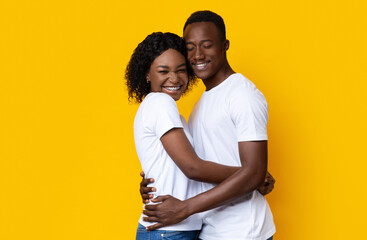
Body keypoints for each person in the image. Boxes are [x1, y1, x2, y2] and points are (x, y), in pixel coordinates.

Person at [140, 11, 276, 240]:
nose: (197, 55)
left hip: (243, 231)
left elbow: (252, 171)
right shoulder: (199, 105)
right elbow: (199, 164)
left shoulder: (242, 94)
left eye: (206, 45)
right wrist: (155, 184)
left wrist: (185, 207)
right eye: (190, 47)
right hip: (208, 228)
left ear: (225, 45)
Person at [126, 31, 253, 240]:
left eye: (181, 70)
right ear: (147, 74)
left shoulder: (173, 115)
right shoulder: (160, 103)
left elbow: (171, 169)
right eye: (163, 71)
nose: (174, 78)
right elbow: (193, 167)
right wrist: (251, 176)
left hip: (178, 228)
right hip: (168, 231)